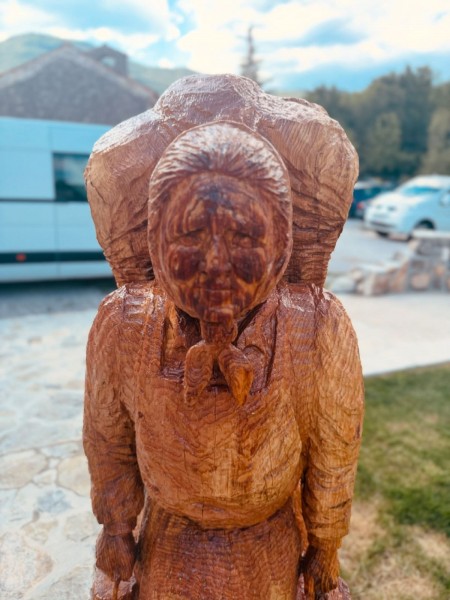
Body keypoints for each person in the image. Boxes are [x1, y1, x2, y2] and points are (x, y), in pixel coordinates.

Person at [83, 122, 363, 599]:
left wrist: (325, 544)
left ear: (281, 247)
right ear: (156, 241)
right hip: (168, 539)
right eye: (190, 234)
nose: (215, 262)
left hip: (268, 542)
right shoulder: (124, 322)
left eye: (244, 236)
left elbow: (335, 454)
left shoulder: (317, 328)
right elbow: (107, 439)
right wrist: (116, 526)